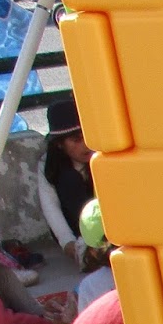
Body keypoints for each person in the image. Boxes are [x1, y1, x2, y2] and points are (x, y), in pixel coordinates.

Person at [37, 97, 103, 271]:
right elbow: (50, 206)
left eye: (87, 137)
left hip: (104, 221)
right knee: (69, 180)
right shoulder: (49, 165)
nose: (85, 145)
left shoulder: (102, 154)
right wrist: (67, 242)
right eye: (76, 140)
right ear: (60, 144)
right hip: (75, 228)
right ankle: (86, 248)